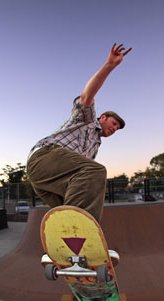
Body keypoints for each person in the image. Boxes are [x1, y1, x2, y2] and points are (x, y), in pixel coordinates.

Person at [27, 43, 132, 223]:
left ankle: (73, 244)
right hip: (44, 159)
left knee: (71, 209)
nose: (114, 129)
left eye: (116, 129)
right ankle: (82, 230)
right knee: (96, 171)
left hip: (49, 182)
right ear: (103, 117)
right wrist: (110, 65)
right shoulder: (88, 120)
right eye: (113, 123)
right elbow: (86, 96)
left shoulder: (95, 146)